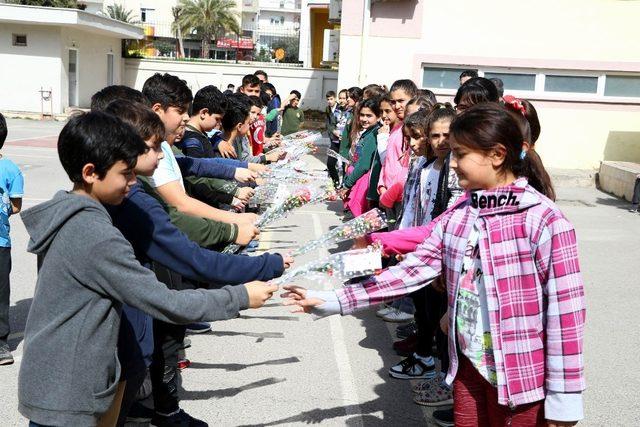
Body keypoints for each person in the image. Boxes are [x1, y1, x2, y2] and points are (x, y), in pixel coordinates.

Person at [285, 103, 585, 427]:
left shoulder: (543, 220)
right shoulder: (460, 214)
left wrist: (564, 402)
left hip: (520, 380)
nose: (452, 163)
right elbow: (409, 272)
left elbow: (566, 315)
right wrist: (335, 300)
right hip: (468, 367)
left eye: (461, 154)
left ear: (497, 155)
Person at [18, 112, 278, 426]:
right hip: (70, 396)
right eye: (125, 174)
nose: (132, 184)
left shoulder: (66, 213)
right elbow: (165, 301)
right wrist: (240, 296)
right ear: (90, 172)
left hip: (53, 381)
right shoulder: (94, 235)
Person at [103, 100, 290, 426]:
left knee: (142, 366)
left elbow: (193, 168)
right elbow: (189, 256)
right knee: (149, 359)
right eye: (153, 148)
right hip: (117, 345)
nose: (163, 156)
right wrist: (257, 271)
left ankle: (155, 408)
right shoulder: (133, 203)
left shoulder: (128, 195)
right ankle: (165, 412)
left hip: (126, 340)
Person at [0, 113, 24, 366]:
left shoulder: (10, 169)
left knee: (0, 292)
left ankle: (0, 343)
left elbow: (16, 205)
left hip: (0, 241)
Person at [340, 97, 381, 217]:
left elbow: (363, 165)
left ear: (378, 116)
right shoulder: (369, 132)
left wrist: (347, 185)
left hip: (366, 185)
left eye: (369, 116)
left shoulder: (374, 135)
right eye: (362, 115)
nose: (364, 119)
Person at [178, 85, 227, 158]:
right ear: (204, 113)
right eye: (217, 119)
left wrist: (217, 141)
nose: (219, 123)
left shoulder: (200, 134)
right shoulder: (192, 142)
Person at [325, 90, 342, 187]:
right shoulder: (327, 109)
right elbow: (328, 123)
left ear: (335, 98)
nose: (330, 101)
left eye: (331, 99)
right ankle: (335, 182)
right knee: (330, 163)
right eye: (328, 99)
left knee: (342, 165)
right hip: (333, 138)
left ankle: (342, 184)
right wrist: (332, 131)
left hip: (342, 139)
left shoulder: (341, 108)